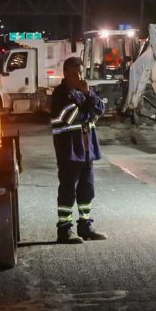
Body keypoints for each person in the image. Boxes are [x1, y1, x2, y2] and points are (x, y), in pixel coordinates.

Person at [49, 56, 108, 244]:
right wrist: (90, 113)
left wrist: (88, 95)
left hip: (86, 150)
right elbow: (73, 116)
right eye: (75, 74)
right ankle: (64, 230)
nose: (80, 77)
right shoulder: (60, 94)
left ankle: (85, 227)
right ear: (66, 74)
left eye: (81, 72)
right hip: (69, 151)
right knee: (68, 190)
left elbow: (100, 109)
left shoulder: (83, 92)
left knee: (87, 190)